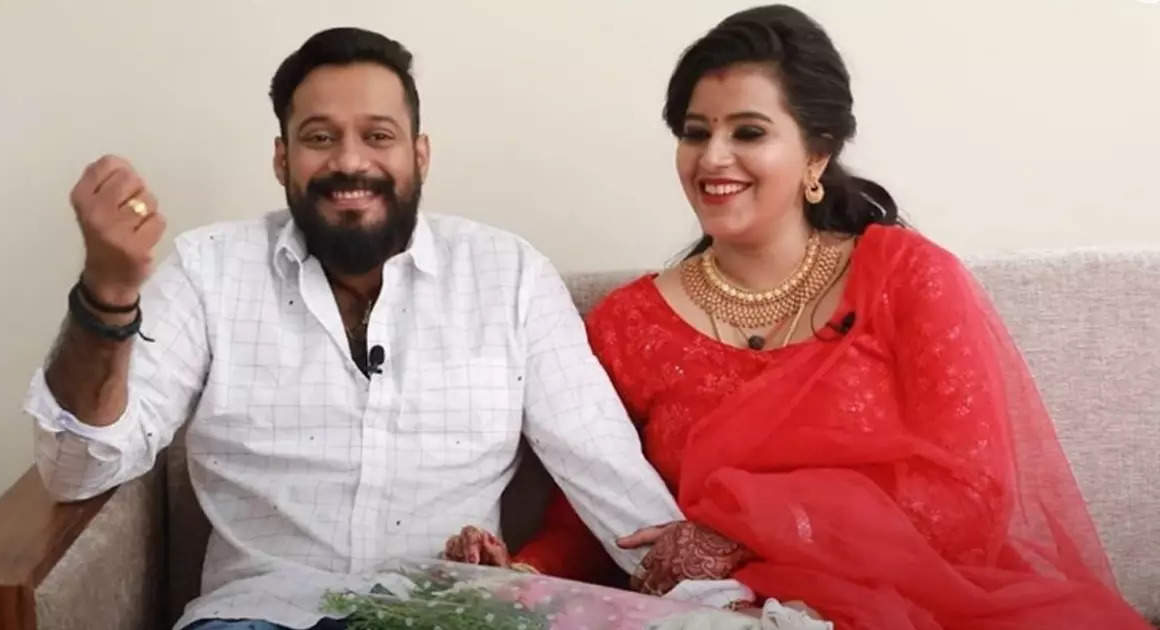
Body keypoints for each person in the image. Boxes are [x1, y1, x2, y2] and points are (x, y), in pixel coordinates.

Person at [446, 5, 1153, 628]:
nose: (713, 158)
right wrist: (522, 574)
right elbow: (598, 517)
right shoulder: (630, 324)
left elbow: (970, 500)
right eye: (695, 132)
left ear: (817, 153)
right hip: (723, 615)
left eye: (748, 132)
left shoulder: (906, 279)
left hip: (930, 604)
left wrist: (744, 537)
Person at [24, 27, 752, 630]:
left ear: (419, 154)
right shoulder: (208, 270)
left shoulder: (508, 276)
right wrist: (107, 296)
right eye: (319, 137)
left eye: (378, 136)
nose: (350, 161)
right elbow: (79, 468)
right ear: (281, 158)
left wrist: (718, 606)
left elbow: (601, 467)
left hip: (448, 614)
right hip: (259, 615)